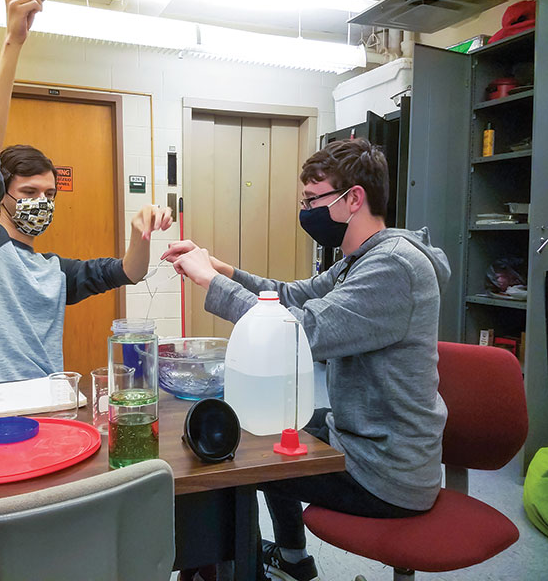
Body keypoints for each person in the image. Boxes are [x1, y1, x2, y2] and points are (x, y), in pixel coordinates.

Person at [162, 138, 450, 581]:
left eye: (314, 200)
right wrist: (224, 271)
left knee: (237, 465)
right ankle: (295, 560)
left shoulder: (393, 267)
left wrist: (208, 284)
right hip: (360, 436)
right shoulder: (362, 257)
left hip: (387, 470)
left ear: (354, 198)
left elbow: (298, 331)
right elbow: (293, 294)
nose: (307, 211)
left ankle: (239, 570)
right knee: (274, 427)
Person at [0, 0, 171, 383]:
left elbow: (128, 273)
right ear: (0, 197)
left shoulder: (54, 272)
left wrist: (142, 236)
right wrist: (13, 41)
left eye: (49, 193)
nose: (41, 202)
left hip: (49, 406)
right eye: (28, 192)